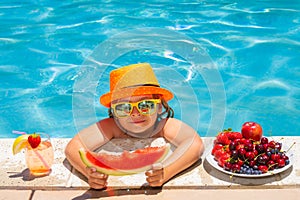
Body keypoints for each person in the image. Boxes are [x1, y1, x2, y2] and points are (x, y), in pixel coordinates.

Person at [65, 63, 204, 189]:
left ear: (160, 106)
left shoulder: (164, 125)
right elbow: (73, 147)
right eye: (124, 107)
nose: (135, 113)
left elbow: (195, 144)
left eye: (145, 105)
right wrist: (88, 172)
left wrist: (166, 171)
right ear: (114, 111)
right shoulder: (112, 126)